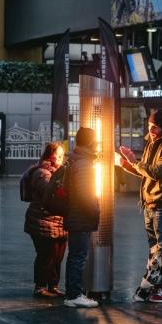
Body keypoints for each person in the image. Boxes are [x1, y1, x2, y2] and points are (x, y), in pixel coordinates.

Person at [119, 109, 162, 303]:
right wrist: (128, 165)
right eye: (149, 125)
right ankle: (156, 283)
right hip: (149, 202)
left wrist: (134, 162)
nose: (151, 129)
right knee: (154, 247)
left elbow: (157, 172)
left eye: (155, 126)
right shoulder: (153, 143)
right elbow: (146, 172)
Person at [24, 142, 67, 298]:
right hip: (42, 221)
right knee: (46, 255)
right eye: (58, 155)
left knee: (58, 256)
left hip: (58, 222)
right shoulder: (41, 172)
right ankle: (40, 287)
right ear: (50, 155)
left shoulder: (59, 172)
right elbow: (52, 191)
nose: (61, 158)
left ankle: (53, 286)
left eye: (63, 155)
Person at [63, 127, 100, 308]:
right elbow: (86, 195)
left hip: (75, 217)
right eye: (96, 141)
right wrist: (95, 212)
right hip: (81, 218)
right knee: (78, 257)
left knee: (74, 256)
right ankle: (74, 295)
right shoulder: (84, 163)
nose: (98, 145)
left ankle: (73, 293)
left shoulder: (75, 160)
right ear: (90, 142)